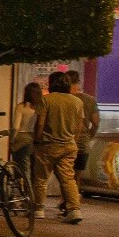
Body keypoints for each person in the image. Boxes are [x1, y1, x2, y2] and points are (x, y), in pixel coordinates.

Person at [33, 71, 85, 224]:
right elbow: (79, 126)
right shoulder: (77, 102)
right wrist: (72, 140)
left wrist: (37, 139)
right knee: (68, 178)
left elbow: (41, 123)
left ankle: (38, 209)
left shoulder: (46, 100)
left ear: (51, 83)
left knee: (41, 178)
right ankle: (74, 209)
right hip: (69, 145)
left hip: (48, 145)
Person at [67, 70, 99, 173]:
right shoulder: (90, 100)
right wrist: (89, 136)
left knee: (64, 177)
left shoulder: (63, 99)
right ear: (78, 81)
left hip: (65, 141)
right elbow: (95, 123)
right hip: (82, 143)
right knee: (77, 176)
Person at [10, 82, 41, 187]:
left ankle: (24, 194)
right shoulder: (41, 108)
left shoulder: (21, 107)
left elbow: (15, 127)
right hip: (37, 140)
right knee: (34, 170)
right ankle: (34, 195)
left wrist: (12, 140)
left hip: (22, 140)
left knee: (21, 168)